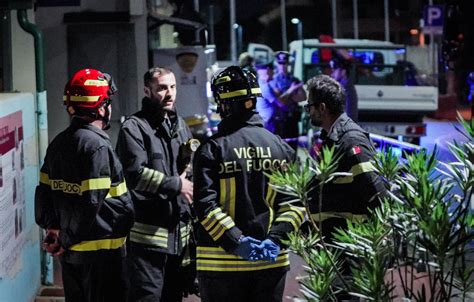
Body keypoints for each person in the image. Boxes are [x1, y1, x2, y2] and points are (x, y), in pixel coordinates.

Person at [193, 66, 306, 302]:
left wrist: (237, 241)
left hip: (221, 268)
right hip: (271, 265)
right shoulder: (281, 148)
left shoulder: (212, 149)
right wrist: (275, 239)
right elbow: (295, 205)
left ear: (224, 104)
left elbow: (205, 206)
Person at [35, 68, 135, 302]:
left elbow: (44, 192)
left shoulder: (59, 143)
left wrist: (54, 231)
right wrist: (67, 238)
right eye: (108, 102)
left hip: (71, 256)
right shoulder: (97, 147)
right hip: (102, 257)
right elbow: (91, 202)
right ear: (101, 107)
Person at [116, 67, 195, 301]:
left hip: (178, 239)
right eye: (161, 88)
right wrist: (175, 185)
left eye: (172, 87)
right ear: (147, 90)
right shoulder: (134, 127)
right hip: (148, 240)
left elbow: (188, 171)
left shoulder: (180, 125)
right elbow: (134, 174)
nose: (169, 93)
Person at [305, 75, 386, 299]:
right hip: (335, 246)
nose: (307, 111)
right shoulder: (333, 138)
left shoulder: (350, 141)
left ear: (322, 108)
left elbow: (376, 193)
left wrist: (375, 241)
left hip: (349, 250)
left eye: (309, 106)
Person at [269, 51, 307, 149]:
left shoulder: (294, 79)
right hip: (280, 120)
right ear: (277, 64)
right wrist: (292, 91)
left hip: (292, 119)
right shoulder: (273, 80)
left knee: (293, 148)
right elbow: (280, 100)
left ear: (288, 64)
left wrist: (287, 96)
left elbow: (303, 97)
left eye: (284, 63)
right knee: (280, 149)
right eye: (280, 63)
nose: (282, 66)